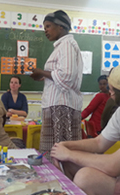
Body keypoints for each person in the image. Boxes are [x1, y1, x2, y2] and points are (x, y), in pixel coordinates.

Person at [50, 62, 120, 195]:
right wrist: (65, 146)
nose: (110, 93)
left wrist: (69, 154)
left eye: (112, 90)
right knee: (67, 162)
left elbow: (113, 166)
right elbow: (99, 143)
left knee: (85, 178)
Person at [30, 10, 83, 161]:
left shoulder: (66, 44)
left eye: (48, 26)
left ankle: (62, 183)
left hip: (61, 107)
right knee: (53, 153)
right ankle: (57, 181)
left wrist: (42, 71)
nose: (45, 30)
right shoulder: (62, 46)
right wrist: (44, 76)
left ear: (61, 26)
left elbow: (66, 77)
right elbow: (62, 75)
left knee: (59, 154)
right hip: (57, 104)